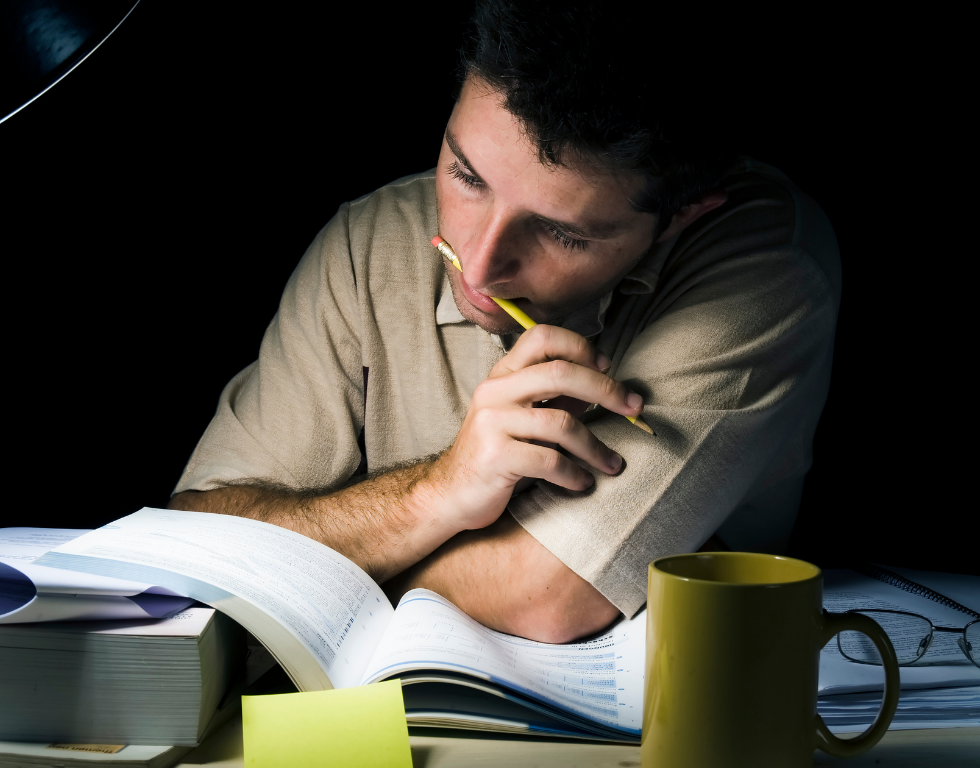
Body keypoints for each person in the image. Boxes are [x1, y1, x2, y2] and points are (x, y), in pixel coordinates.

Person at [168, 0, 840, 643]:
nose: (481, 266)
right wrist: (432, 495)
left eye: (561, 232)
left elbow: (546, 596)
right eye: (466, 175)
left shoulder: (767, 255)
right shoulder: (366, 244)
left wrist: (310, 559)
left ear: (681, 218)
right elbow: (189, 540)